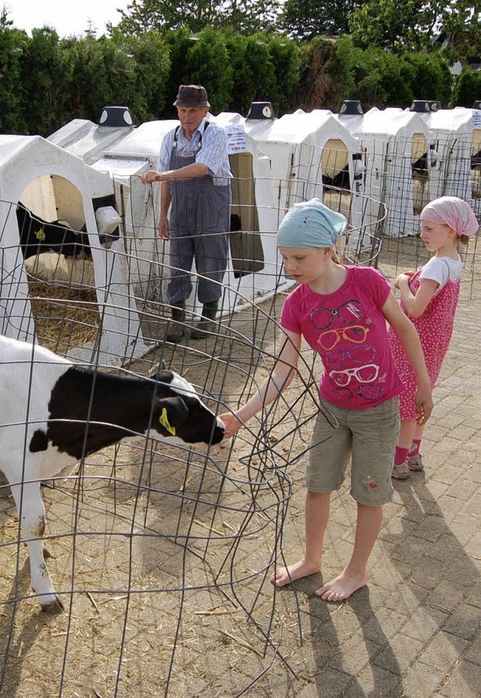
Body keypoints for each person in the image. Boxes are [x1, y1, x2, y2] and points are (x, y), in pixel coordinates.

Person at [219, 199, 433, 602]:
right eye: (285, 258)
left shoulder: (366, 281)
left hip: (378, 409)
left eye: (299, 257)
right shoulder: (296, 304)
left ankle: (356, 572)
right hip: (333, 409)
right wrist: (242, 416)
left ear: (327, 250)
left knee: (369, 493)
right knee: (317, 486)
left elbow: (404, 327)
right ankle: (311, 559)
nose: (291, 267)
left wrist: (423, 386)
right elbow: (282, 370)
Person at [388, 196, 479, 479]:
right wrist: (419, 277)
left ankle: (398, 460)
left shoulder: (438, 265)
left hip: (414, 341)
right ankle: (414, 451)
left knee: (405, 401)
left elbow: (416, 308)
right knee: (420, 394)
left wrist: (403, 284)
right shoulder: (451, 260)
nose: (422, 234)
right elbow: (435, 287)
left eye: (429, 229)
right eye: (422, 227)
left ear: (451, 230)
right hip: (435, 343)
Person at [139, 84, 232, 342]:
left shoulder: (215, 134)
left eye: (192, 110)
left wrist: (160, 175)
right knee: (178, 264)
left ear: (205, 111)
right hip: (181, 209)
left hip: (211, 208)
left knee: (210, 262)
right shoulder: (171, 138)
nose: (186, 116)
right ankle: (177, 319)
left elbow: (201, 168)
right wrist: (163, 214)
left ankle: (207, 318)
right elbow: (166, 180)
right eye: (182, 109)